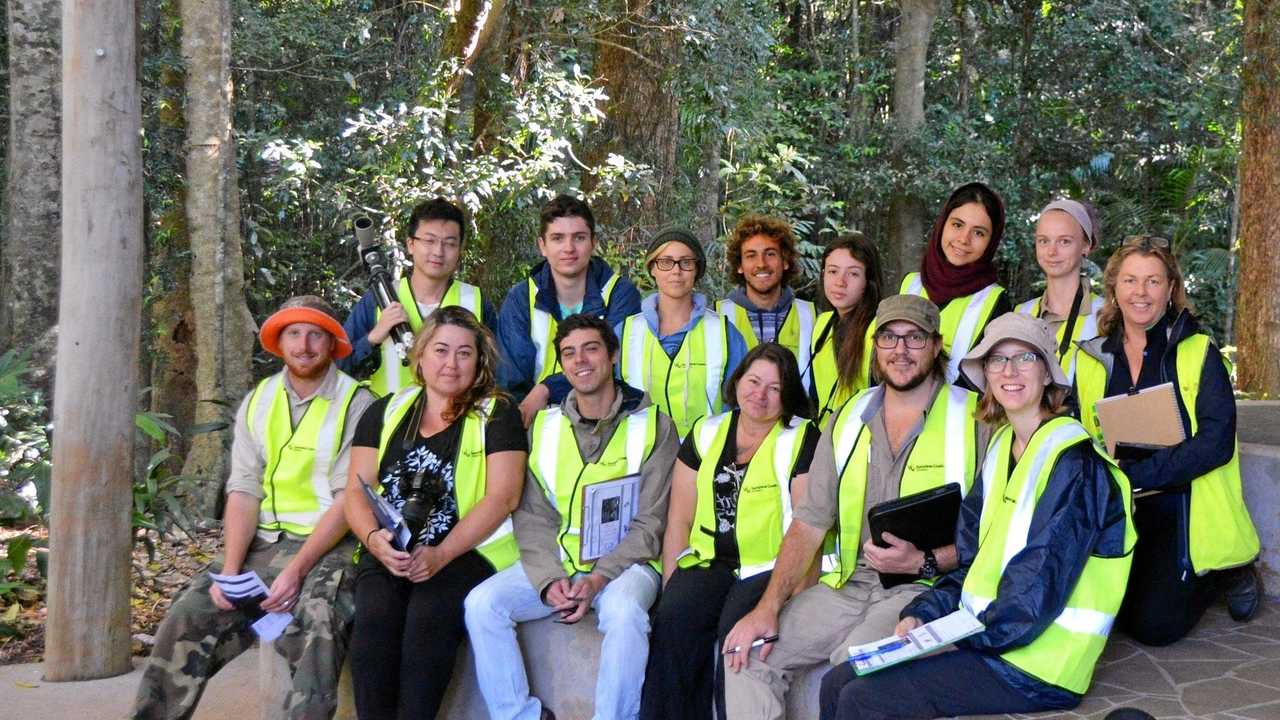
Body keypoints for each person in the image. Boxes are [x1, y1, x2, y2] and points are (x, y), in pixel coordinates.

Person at [820, 312, 1136, 720]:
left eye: (1025, 358)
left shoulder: (1073, 463)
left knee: (864, 698)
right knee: (838, 679)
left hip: (1036, 663)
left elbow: (1035, 593)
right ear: (985, 374)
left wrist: (955, 639)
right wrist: (923, 613)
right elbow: (972, 562)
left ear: (1047, 374)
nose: (1010, 371)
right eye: (997, 361)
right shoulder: (1004, 445)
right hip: (990, 636)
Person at [721, 294, 986, 720]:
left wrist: (925, 561)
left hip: (928, 590)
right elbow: (809, 522)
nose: (900, 350)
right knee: (745, 653)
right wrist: (766, 608)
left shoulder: (976, 420)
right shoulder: (847, 416)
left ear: (936, 346)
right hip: (848, 584)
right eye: (889, 337)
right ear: (874, 345)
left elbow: (996, 535)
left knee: (856, 664)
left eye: (914, 337)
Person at [132, 296, 375, 720]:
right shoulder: (259, 399)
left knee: (317, 621)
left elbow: (347, 501)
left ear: (333, 344)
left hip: (330, 545)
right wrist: (229, 572)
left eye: (316, 334)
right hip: (263, 543)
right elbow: (243, 490)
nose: (304, 345)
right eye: (294, 334)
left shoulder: (358, 403)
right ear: (279, 343)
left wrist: (296, 571)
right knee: (191, 612)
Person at [465, 314, 680, 720]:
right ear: (561, 365)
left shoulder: (655, 425)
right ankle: (520, 716)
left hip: (628, 565)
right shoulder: (543, 427)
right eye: (569, 353)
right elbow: (533, 515)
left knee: (623, 613)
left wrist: (600, 577)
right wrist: (548, 581)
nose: (580, 360)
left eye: (591, 349)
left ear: (613, 356)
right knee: (482, 604)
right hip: (562, 562)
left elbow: (653, 521)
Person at [1074, 236, 1261, 646]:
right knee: (1106, 615)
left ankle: (1226, 571)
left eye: (1153, 281)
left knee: (1154, 629)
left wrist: (1141, 474)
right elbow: (1079, 431)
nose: (1140, 293)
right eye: (1130, 280)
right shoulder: (1090, 357)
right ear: (1114, 288)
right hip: (1122, 505)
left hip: (1182, 507)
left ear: (1171, 289)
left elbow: (1216, 442)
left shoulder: (1198, 351)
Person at [344, 306, 527, 720]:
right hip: (391, 547)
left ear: (479, 362)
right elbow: (355, 491)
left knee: (428, 619)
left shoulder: (496, 413)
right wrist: (374, 540)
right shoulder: (385, 410)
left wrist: (441, 554)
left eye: (465, 353)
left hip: (464, 551)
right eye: (441, 350)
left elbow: (504, 497)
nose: (451, 363)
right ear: (420, 357)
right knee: (373, 619)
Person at [639, 343, 820, 720]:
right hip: (709, 561)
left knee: (735, 637)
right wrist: (673, 582)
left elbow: (810, 522)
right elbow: (679, 519)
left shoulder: (803, 438)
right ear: (737, 382)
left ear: (788, 397)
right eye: (753, 381)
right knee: (674, 619)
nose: (760, 394)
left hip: (766, 567)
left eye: (774, 388)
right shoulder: (707, 431)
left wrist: (800, 592)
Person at [497, 194, 642, 425]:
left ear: (593, 243)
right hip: (535, 423)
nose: (569, 248)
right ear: (542, 246)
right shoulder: (521, 298)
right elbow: (510, 381)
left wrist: (545, 388)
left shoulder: (619, 295)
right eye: (557, 238)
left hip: (605, 421)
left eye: (579, 238)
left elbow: (611, 370)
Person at [340, 197, 497, 396]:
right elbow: (338, 366)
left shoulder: (475, 301)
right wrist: (373, 338)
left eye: (449, 244)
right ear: (411, 244)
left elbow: (495, 373)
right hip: (388, 420)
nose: (438, 252)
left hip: (457, 421)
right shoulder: (379, 299)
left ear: (459, 250)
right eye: (429, 241)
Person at [617, 228, 749, 438]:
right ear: (652, 268)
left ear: (697, 269)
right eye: (666, 262)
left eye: (686, 262)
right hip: (640, 459)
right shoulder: (625, 333)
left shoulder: (724, 333)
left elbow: (741, 406)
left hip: (704, 458)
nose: (676, 271)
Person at [900, 182, 1011, 384]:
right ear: (942, 224)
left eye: (978, 233)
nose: (964, 239)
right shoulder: (910, 284)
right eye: (957, 225)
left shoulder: (996, 302)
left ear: (991, 241)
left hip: (959, 415)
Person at [717, 214, 818, 384]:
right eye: (751, 255)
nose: (761, 263)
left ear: (785, 261)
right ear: (740, 266)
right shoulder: (718, 316)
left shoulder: (811, 316)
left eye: (770, 254)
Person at [1015, 198, 1105, 383]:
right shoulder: (1021, 313)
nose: (1051, 252)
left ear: (1086, 246)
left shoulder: (1106, 316)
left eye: (1064, 241)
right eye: (1043, 241)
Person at [808, 233, 883, 425]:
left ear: (869, 281)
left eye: (853, 273)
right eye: (833, 271)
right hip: (825, 442)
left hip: (863, 445)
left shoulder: (882, 331)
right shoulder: (822, 325)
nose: (840, 282)